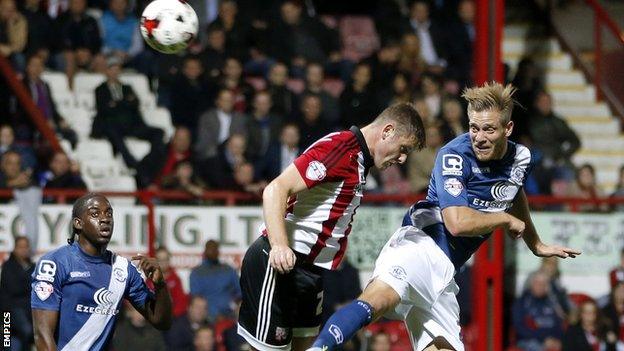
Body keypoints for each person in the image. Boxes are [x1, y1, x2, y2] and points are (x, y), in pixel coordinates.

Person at [307, 82, 581, 351]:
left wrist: (536, 244)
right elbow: (457, 223)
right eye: (474, 128)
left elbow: (514, 190)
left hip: (446, 271)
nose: (480, 137)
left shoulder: (522, 157)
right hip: (420, 245)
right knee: (379, 299)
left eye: (489, 129)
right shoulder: (454, 155)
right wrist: (505, 219)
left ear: (508, 128)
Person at [237, 102, 426, 351]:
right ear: (387, 131)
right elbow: (275, 189)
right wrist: (279, 246)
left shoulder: (360, 159)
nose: (402, 159)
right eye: (403, 149)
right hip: (279, 266)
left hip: (310, 272)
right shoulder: (341, 147)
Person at [31, 193, 172, 350]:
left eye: (109, 213)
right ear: (78, 223)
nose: (105, 219)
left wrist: (160, 285)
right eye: (95, 213)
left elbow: (162, 322)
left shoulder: (123, 269)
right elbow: (42, 335)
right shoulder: (55, 263)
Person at [190, 239, 241, 322]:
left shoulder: (228, 270)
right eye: (209, 249)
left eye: (214, 249)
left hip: (229, 316)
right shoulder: (197, 272)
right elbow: (196, 297)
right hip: (206, 318)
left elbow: (240, 292)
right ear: (205, 251)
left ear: (218, 251)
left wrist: (234, 304)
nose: (212, 251)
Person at [0, 236, 35, 351]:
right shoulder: (8, 266)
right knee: (7, 341)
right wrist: (27, 282)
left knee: (25, 339)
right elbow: (14, 288)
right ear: (15, 248)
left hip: (28, 311)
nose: (24, 250)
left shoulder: (33, 267)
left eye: (26, 247)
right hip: (8, 314)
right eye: (21, 247)